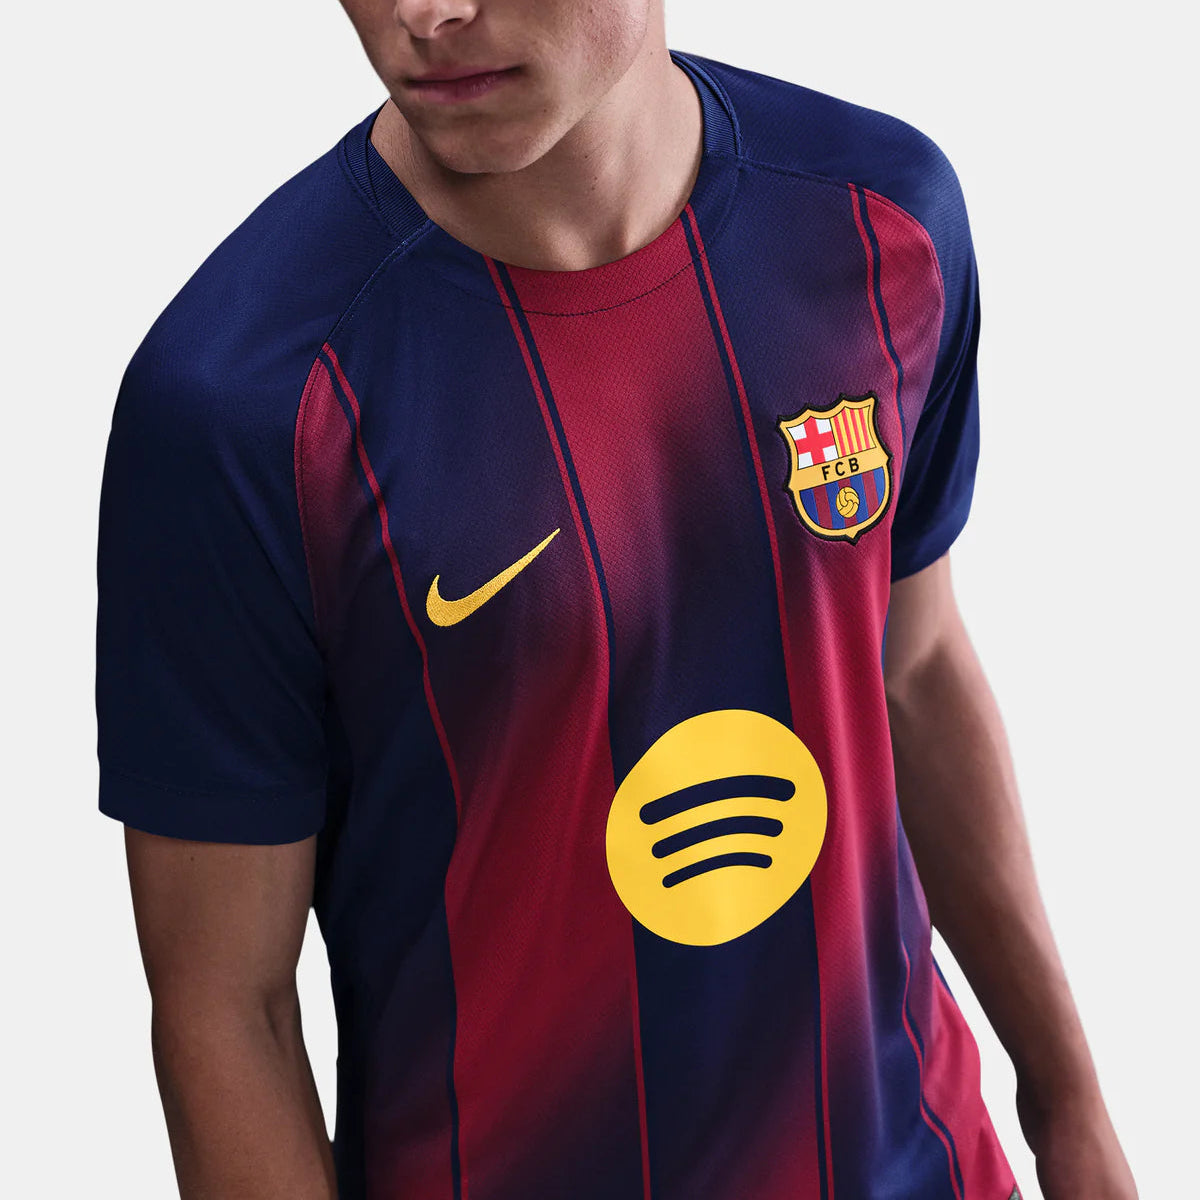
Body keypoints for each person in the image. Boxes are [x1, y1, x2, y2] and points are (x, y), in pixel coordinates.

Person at [94, 2, 1138, 1198]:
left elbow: (912, 665)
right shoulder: (240, 404)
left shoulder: (880, 222)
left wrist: (1070, 1109)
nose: (423, 12)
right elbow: (229, 1008)